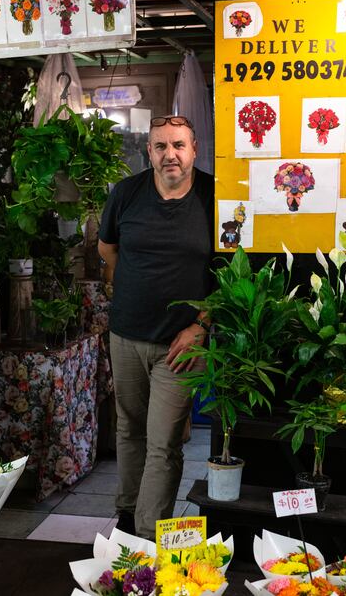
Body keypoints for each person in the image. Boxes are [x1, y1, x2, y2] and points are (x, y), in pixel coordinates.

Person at [98, 114, 214, 541]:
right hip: (126, 335)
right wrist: (134, 289)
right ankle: (126, 518)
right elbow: (108, 248)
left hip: (181, 343)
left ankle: (146, 540)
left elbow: (232, 275)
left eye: (179, 145)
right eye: (161, 146)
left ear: (194, 150)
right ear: (149, 152)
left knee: (163, 441)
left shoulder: (214, 197)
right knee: (129, 428)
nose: (171, 155)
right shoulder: (127, 193)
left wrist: (200, 326)